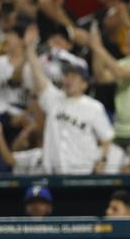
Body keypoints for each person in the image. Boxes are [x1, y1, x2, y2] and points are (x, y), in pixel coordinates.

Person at [23, 26, 113, 174]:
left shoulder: (94, 107)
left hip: (82, 173)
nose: (68, 80)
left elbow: (106, 139)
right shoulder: (54, 99)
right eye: (67, 76)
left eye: (74, 77)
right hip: (53, 174)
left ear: (84, 83)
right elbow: (38, 75)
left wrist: (102, 161)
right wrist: (30, 49)